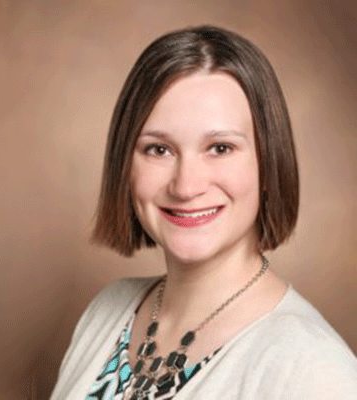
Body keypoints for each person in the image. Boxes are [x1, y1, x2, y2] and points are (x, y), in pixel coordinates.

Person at [49, 25, 357, 400]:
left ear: (267, 162)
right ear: (125, 165)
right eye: (158, 149)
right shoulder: (107, 311)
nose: (185, 186)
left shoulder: (314, 370)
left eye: (220, 148)